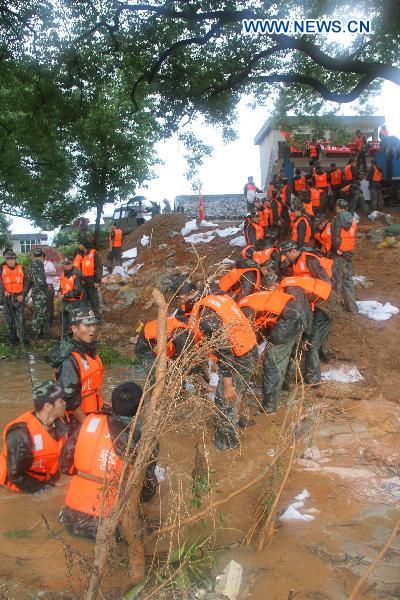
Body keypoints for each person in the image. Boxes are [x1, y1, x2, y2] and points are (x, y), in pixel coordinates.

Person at [59, 382, 158, 540]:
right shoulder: (141, 439)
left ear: (111, 404)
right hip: (107, 526)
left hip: (70, 517)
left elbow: (64, 464)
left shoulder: (90, 423)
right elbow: (147, 491)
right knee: (155, 527)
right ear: (140, 408)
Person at [189, 291, 257, 450]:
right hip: (249, 347)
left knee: (224, 403)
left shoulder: (205, 322)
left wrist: (227, 385)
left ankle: (229, 447)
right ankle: (245, 422)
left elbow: (226, 352)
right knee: (236, 397)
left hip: (239, 357)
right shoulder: (216, 299)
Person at [0, 381, 66, 493]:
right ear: (48, 406)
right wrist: (47, 488)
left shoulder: (58, 423)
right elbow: (16, 476)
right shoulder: (20, 434)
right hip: (15, 489)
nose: (65, 403)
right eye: (61, 401)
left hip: (44, 479)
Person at [48, 306, 103, 430]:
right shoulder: (70, 359)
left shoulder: (88, 350)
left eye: (94, 324)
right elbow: (70, 398)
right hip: (76, 421)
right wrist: (86, 427)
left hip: (92, 413)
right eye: (87, 325)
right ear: (74, 328)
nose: (92, 329)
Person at [330, 199, 358, 313]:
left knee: (336, 280)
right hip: (349, 253)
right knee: (348, 280)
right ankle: (352, 308)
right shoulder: (353, 220)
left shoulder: (337, 218)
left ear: (338, 207)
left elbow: (335, 237)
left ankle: (335, 309)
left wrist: (336, 250)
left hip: (339, 254)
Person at [0, 248, 28, 346]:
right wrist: (3, 291)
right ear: (6, 260)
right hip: (7, 298)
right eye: (8, 259)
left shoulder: (21, 268)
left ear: (15, 259)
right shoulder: (1, 268)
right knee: (9, 321)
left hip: (19, 297)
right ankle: (12, 342)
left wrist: (23, 295)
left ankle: (23, 342)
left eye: (12, 259)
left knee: (20, 320)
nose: (11, 261)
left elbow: (27, 283)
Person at [26, 248, 50, 340]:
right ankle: (34, 335)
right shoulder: (39, 264)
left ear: (34, 255)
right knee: (39, 314)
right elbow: (40, 282)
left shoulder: (31, 265)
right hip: (40, 294)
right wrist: (45, 288)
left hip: (36, 293)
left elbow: (30, 280)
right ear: (41, 256)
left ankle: (42, 334)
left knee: (41, 313)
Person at [58, 257, 84, 336]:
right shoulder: (64, 273)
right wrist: (59, 292)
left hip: (74, 302)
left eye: (68, 264)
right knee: (64, 320)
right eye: (65, 264)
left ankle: (75, 339)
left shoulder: (77, 274)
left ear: (72, 264)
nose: (66, 266)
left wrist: (65, 295)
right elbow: (61, 286)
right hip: (64, 301)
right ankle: (65, 337)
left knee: (74, 321)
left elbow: (77, 291)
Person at [79, 239, 103, 322]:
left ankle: (98, 319)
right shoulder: (83, 254)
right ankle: (88, 319)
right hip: (84, 283)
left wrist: (97, 281)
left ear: (83, 245)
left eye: (80, 244)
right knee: (84, 302)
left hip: (92, 282)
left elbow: (99, 267)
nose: (79, 246)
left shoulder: (94, 253)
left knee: (94, 302)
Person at [44, 253, 57, 328]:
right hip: (41, 287)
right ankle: (45, 322)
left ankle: (50, 322)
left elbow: (54, 273)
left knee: (49, 305)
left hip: (49, 286)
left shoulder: (49, 264)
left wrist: (45, 273)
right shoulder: (37, 265)